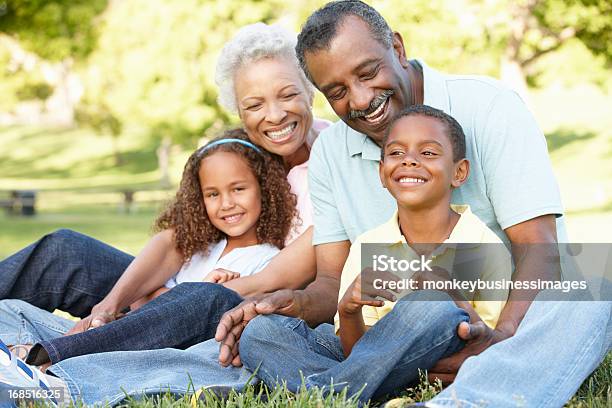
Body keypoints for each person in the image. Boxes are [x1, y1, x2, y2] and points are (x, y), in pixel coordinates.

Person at [213, 2, 610, 407]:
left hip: (501, 318)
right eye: (337, 92)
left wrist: (499, 339)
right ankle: (356, 388)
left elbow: (538, 248)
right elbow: (332, 286)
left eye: (368, 73)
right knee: (264, 333)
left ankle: (459, 395)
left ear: (398, 49)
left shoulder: (490, 107)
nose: (362, 99)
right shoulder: (332, 150)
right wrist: (294, 304)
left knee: (597, 285)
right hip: (384, 340)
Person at [0, 22, 326, 335]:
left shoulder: (335, 159)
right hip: (187, 288)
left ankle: (59, 353)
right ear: (239, 112)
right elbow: (179, 238)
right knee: (65, 250)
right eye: (254, 104)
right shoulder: (244, 152)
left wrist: (171, 299)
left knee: (199, 301)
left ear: (310, 90)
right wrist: (110, 304)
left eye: (287, 95)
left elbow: (274, 279)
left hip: (244, 306)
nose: (274, 114)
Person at [240, 105, 513, 403]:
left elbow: (488, 344)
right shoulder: (369, 244)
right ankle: (351, 392)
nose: (409, 160)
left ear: (458, 172)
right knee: (261, 331)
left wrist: (449, 296)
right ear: (382, 173)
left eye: (429, 153)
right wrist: (348, 310)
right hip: (367, 359)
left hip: (435, 354)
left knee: (432, 303)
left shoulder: (485, 248)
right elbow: (354, 350)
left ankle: (333, 392)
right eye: (396, 153)